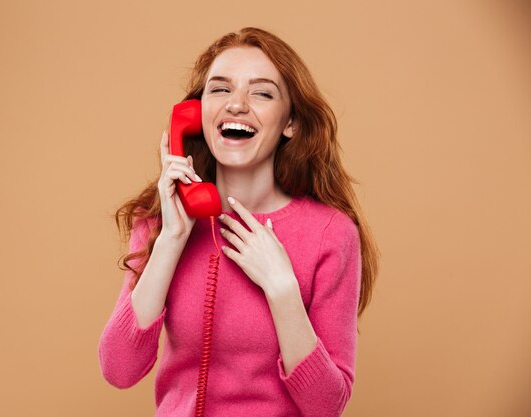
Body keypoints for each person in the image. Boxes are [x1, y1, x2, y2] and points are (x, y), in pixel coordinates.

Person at [98, 26, 380, 417]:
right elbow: (119, 369)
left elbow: (326, 405)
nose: (236, 105)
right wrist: (171, 242)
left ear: (290, 123)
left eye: (261, 93)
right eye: (220, 89)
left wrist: (283, 291)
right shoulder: (162, 221)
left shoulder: (330, 234)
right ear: (195, 115)